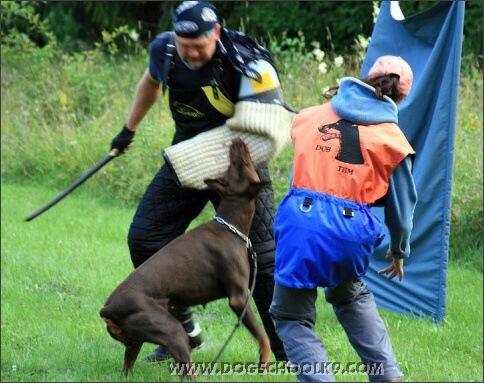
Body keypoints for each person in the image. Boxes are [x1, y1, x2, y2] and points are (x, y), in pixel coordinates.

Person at [109, 1, 293, 363]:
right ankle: (181, 331)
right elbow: (151, 83)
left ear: (217, 35)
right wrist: (128, 130)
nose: (190, 53)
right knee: (145, 237)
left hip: (241, 166)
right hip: (189, 161)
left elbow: (268, 127)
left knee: (264, 259)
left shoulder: (247, 63)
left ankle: (286, 347)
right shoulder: (164, 50)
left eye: (200, 46)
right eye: (184, 44)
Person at [269, 55, 417, 382]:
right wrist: (398, 251)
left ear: (364, 78)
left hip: (302, 224)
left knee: (292, 318)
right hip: (350, 231)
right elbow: (402, 212)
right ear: (401, 98)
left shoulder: (310, 117)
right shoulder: (393, 140)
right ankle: (388, 375)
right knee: (350, 296)